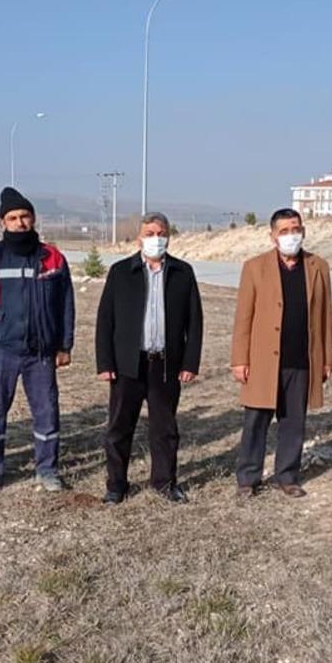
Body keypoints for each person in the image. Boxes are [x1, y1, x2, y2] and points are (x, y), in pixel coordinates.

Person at [0, 188, 75, 494]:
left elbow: (66, 303)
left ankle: (47, 469)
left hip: (40, 352)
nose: (20, 222)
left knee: (46, 412)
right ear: (3, 223)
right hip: (1, 350)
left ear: (33, 218)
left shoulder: (51, 258)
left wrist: (65, 344)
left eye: (24, 216)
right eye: (13, 218)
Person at [95, 212, 203, 504]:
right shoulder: (121, 272)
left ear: (168, 236)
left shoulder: (182, 272)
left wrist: (190, 362)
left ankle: (164, 482)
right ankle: (116, 485)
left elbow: (194, 322)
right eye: (150, 233)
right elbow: (105, 320)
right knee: (119, 427)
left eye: (161, 233)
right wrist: (105, 363)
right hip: (127, 364)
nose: (156, 238)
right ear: (139, 237)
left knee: (165, 428)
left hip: (165, 365)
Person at [230, 208, 332, 498]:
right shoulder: (255, 267)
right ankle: (248, 479)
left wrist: (326, 358)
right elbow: (243, 318)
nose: (292, 235)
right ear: (273, 236)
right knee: (255, 422)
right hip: (263, 361)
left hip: (301, 360)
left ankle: (287, 475)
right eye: (285, 231)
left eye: (296, 229)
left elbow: (325, 316)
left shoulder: (318, 266)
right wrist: (240, 359)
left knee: (293, 423)